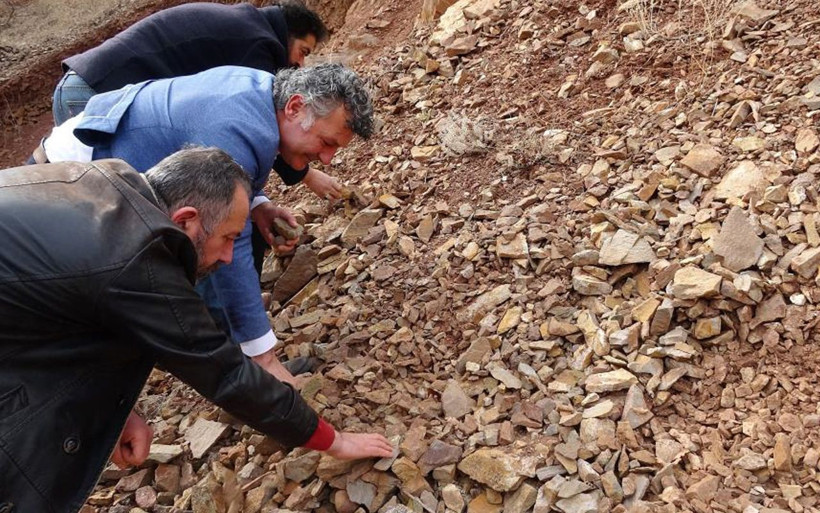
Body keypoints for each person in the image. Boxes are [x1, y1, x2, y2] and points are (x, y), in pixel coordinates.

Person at [0, 147, 392, 513]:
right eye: (228, 238)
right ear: (186, 220)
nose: (228, 256)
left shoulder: (110, 182)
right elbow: (224, 372)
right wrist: (334, 441)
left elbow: (72, 313)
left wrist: (116, 413)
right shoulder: (134, 256)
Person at [34, 63, 371, 388]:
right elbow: (230, 247)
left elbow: (228, 166)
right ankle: (245, 376)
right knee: (195, 262)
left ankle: (238, 374)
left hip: (98, 160)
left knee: (204, 262)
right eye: (327, 143)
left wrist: (258, 205)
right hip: (69, 181)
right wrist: (264, 356)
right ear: (295, 107)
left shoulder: (261, 94)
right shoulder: (238, 125)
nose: (328, 159)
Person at [50, 0, 343, 203]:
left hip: (85, 83)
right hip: (93, 91)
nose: (300, 65)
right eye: (303, 52)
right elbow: (259, 123)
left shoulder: (247, 28)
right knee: (104, 204)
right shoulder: (258, 44)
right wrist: (305, 175)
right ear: (287, 34)